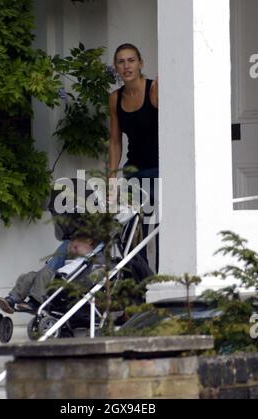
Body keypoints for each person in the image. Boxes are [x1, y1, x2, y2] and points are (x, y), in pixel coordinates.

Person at [109, 43, 159, 271]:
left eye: (131, 60)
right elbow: (116, 141)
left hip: (159, 169)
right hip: (133, 169)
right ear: (115, 67)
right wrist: (111, 175)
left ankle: (159, 281)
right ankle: (140, 284)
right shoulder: (115, 98)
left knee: (152, 226)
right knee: (126, 228)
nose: (126, 66)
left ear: (141, 63)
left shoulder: (154, 89)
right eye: (121, 61)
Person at [0, 236, 96, 314]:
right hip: (54, 276)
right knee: (30, 275)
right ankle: (11, 300)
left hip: (67, 282)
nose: (73, 246)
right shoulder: (71, 254)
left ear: (89, 243)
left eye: (77, 245)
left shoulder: (90, 258)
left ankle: (36, 302)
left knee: (45, 273)